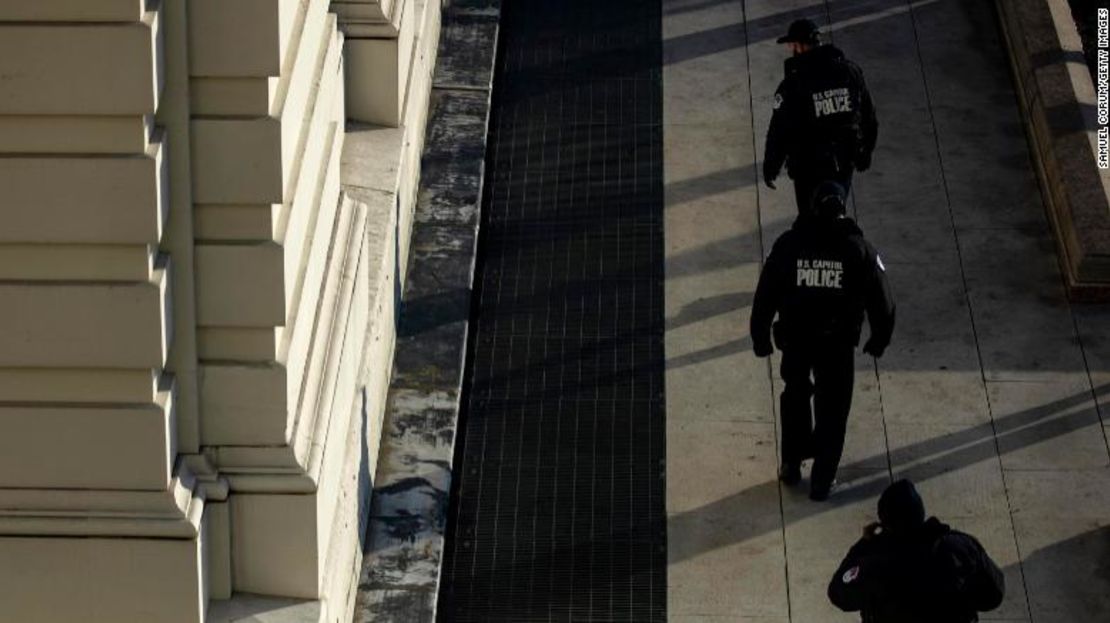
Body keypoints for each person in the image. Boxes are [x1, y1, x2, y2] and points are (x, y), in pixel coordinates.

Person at [750, 180, 894, 501]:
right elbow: (882, 299)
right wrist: (879, 338)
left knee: (796, 397)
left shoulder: (789, 244)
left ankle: (791, 461)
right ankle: (822, 478)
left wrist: (760, 336)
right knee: (833, 408)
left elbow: (766, 294)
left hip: (797, 341)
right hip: (837, 345)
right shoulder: (859, 249)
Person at [828, 479, 1006, 622]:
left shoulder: (875, 563)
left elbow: (838, 593)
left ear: (885, 523)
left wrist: (863, 545)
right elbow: (993, 596)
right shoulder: (960, 547)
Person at [763, 18, 879, 214]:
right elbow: (868, 116)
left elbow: (779, 130)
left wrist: (771, 166)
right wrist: (866, 150)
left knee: (809, 220)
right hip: (843, 163)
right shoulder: (851, 72)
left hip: (808, 167)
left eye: (792, 44)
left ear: (799, 46)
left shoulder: (793, 83)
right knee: (835, 212)